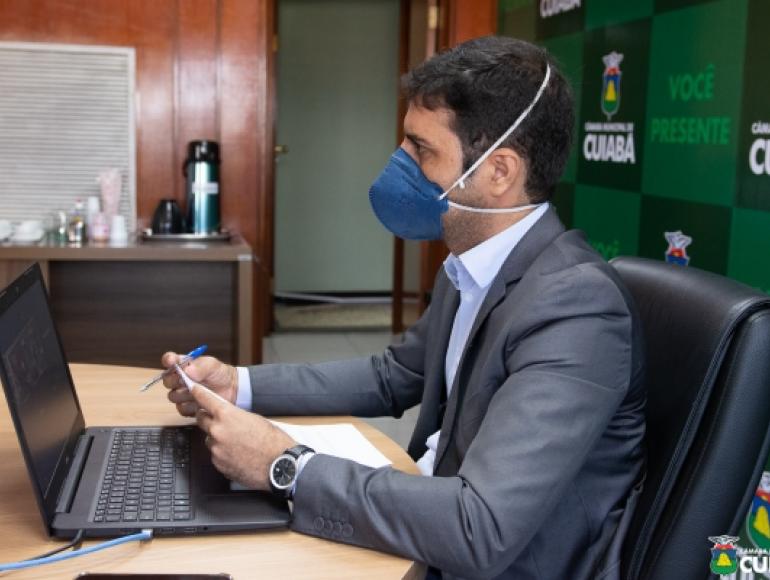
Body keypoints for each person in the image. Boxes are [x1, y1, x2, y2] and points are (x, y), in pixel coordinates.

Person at [162, 36, 646, 580]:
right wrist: (239, 385)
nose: (401, 165)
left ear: (500, 171)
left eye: (421, 150)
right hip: (427, 527)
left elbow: (480, 527)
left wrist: (286, 465)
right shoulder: (471, 264)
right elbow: (393, 375)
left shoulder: (577, 308)